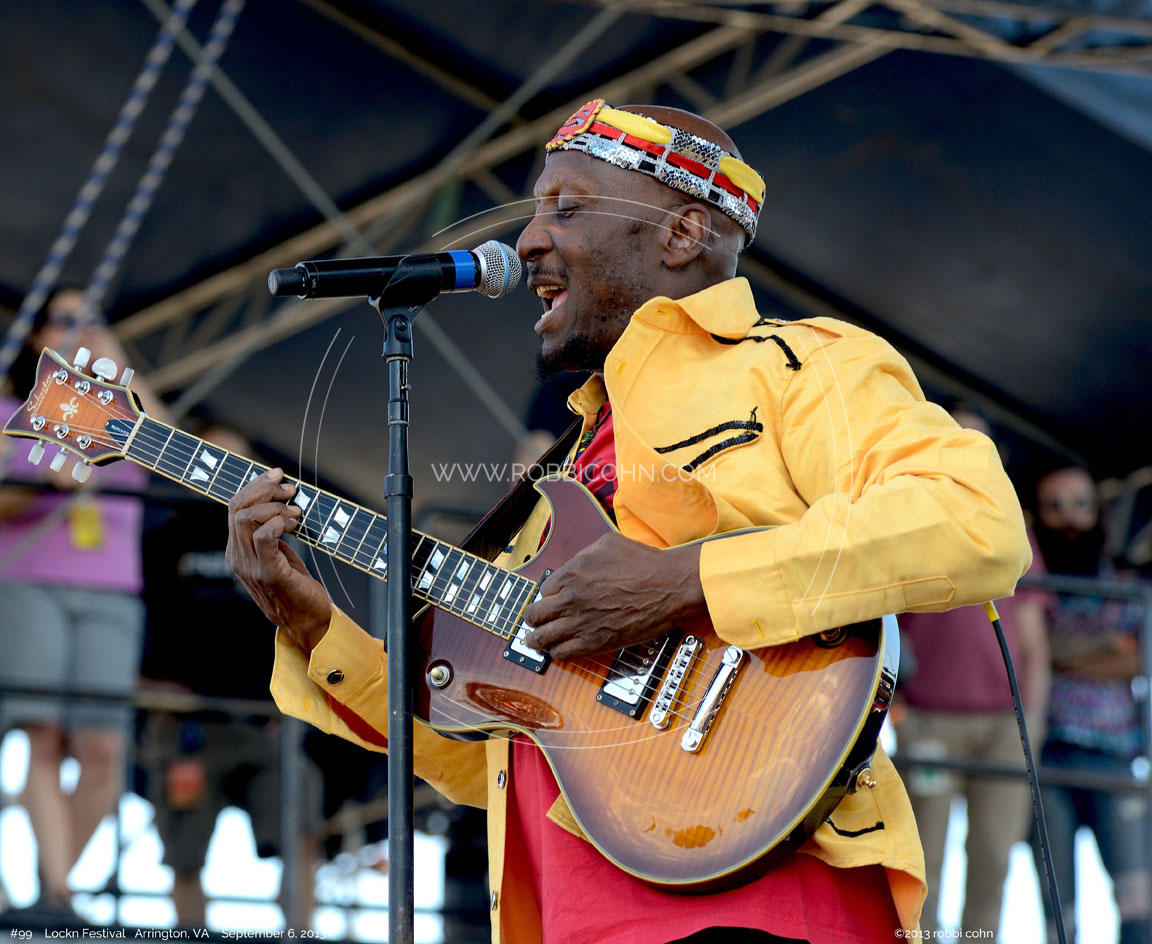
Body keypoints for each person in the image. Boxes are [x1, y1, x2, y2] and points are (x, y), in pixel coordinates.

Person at [225, 101, 1032, 942]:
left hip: (768, 908)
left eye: (567, 207)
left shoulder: (799, 365)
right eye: (537, 210)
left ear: (681, 234)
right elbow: (512, 753)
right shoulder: (562, 476)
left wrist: (684, 582)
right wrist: (312, 626)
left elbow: (974, 518)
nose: (528, 240)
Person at [0, 287, 161, 920]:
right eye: (64, 320)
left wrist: (120, 360)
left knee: (103, 752)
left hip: (114, 591)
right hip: (30, 581)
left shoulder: (126, 415)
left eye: (90, 319)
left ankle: (50, 890)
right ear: (37, 335)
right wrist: (44, 479)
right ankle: (58, 896)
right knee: (40, 733)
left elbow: (173, 448)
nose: (78, 330)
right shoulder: (11, 408)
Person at [135, 421, 321, 929]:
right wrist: (151, 694)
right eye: (213, 460)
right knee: (184, 853)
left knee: (300, 811)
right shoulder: (162, 538)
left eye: (239, 466)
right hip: (186, 725)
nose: (226, 474)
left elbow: (303, 625)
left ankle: (301, 933)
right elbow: (136, 630)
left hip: (264, 720)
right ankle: (191, 936)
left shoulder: (275, 543)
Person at [896, 405, 1052, 937]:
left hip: (1005, 727)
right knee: (923, 859)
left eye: (975, 441)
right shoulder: (906, 516)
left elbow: (1033, 639)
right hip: (929, 720)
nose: (963, 448)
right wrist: (900, 712)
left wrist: (1033, 721)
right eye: (951, 436)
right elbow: (884, 629)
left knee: (994, 855)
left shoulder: (1013, 524)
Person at [1031, 465, 1150, 944]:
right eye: (1055, 505)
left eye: (1081, 503)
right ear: (1037, 516)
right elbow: (1031, 651)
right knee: (1057, 904)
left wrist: (1056, 654)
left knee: (1137, 896)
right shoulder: (1027, 585)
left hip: (1115, 753)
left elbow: (1137, 659)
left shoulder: (1127, 581)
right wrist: (1104, 647)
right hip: (1046, 752)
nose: (1070, 517)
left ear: (1099, 512)